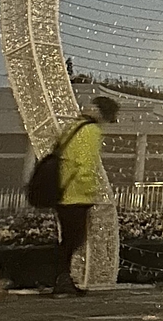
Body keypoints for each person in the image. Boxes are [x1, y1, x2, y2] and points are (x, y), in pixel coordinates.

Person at [51, 94, 119, 296]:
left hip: (62, 190)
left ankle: (62, 278)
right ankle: (62, 279)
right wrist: (90, 191)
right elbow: (86, 165)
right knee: (74, 239)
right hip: (76, 194)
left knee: (69, 239)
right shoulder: (90, 130)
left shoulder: (74, 126)